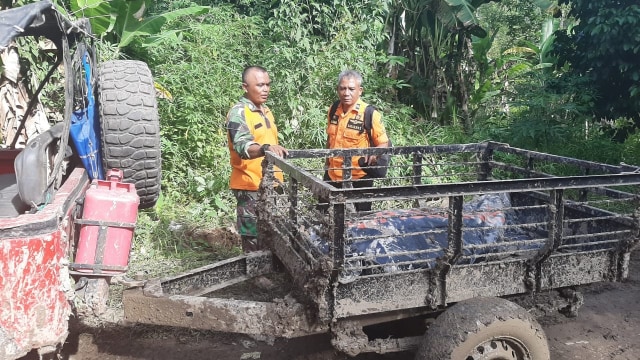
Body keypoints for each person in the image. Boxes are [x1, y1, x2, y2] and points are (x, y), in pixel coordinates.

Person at [226, 66, 288, 252]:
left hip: (272, 182)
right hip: (250, 184)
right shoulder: (239, 112)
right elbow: (242, 146)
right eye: (260, 85)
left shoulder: (266, 110)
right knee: (252, 235)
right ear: (245, 87)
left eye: (268, 85)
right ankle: (256, 277)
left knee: (272, 231)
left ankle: (270, 271)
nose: (265, 89)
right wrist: (265, 149)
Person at [324, 69, 390, 212]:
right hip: (332, 175)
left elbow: (383, 142)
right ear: (338, 89)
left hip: (358, 178)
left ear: (360, 91)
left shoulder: (370, 114)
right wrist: (326, 164)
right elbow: (330, 139)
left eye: (351, 89)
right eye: (342, 88)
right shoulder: (334, 109)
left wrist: (375, 153)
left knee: (360, 221)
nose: (346, 93)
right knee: (324, 217)